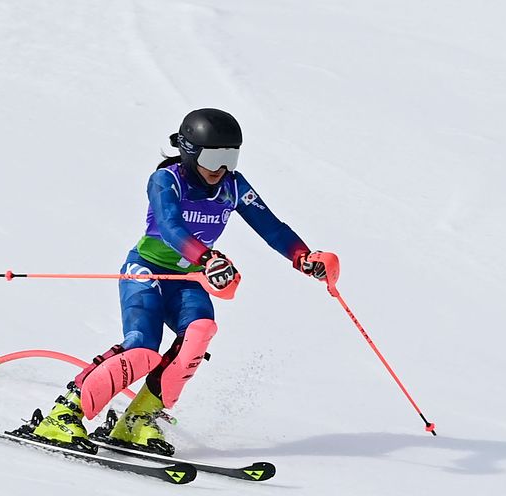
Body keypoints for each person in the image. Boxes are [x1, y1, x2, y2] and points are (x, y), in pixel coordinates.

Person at [26, 108, 334, 455]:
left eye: (230, 156)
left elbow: (272, 227)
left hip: (188, 278)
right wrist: (207, 258)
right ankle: (64, 413)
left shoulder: (234, 185)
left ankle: (139, 419)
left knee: (200, 332)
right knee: (142, 348)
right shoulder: (166, 180)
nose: (222, 167)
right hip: (148, 272)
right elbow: (171, 227)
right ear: (189, 150)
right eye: (214, 156)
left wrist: (302, 257)